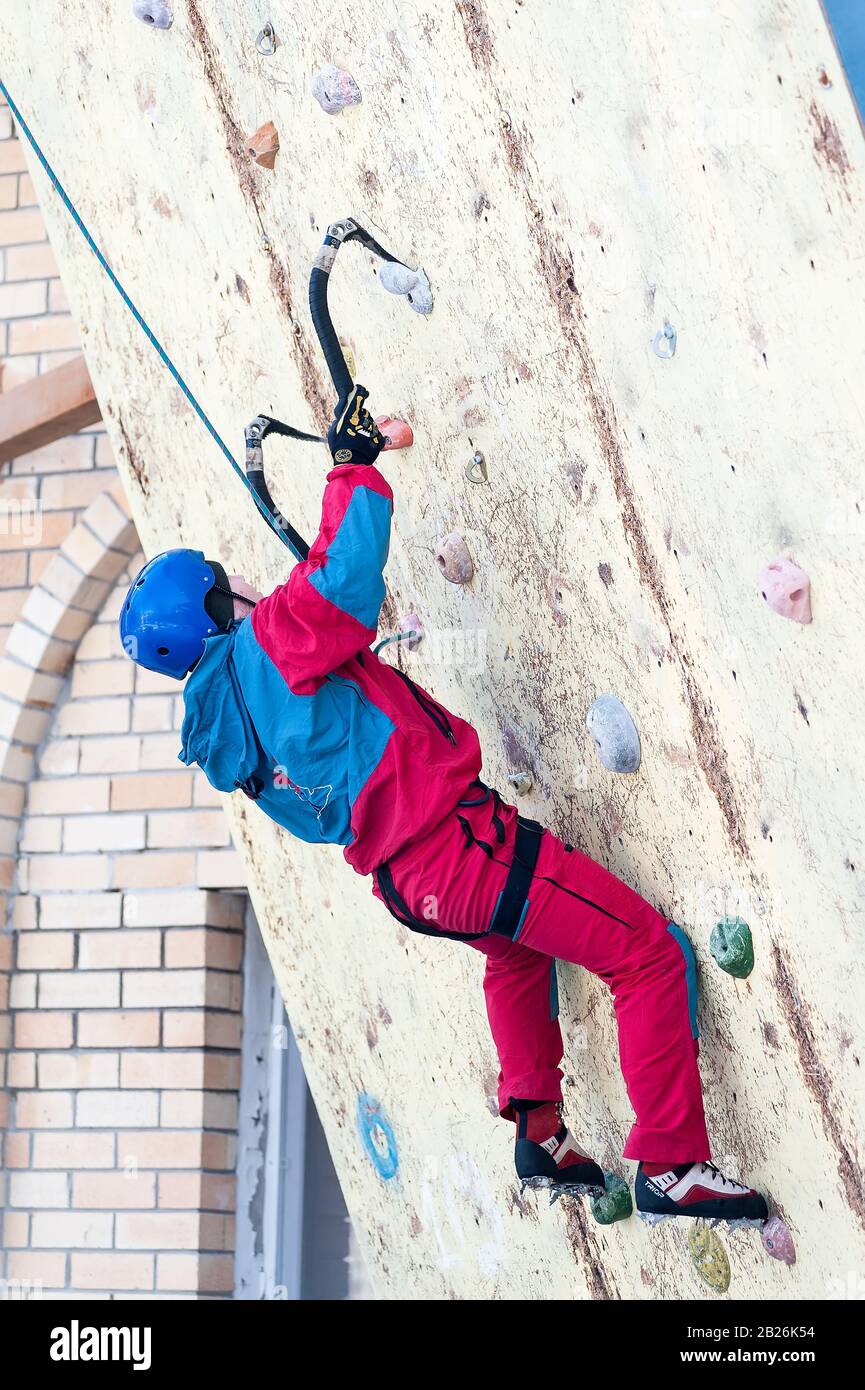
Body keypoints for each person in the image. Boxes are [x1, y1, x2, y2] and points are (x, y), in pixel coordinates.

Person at [120, 385, 768, 1225]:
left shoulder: (229, 741)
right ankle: (672, 1165)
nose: (241, 580)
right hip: (462, 846)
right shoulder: (270, 645)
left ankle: (540, 1135)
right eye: (223, 582)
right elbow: (343, 581)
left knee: (514, 954)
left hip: (409, 886)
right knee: (644, 953)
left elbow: (329, 710)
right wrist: (351, 468)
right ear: (211, 612)